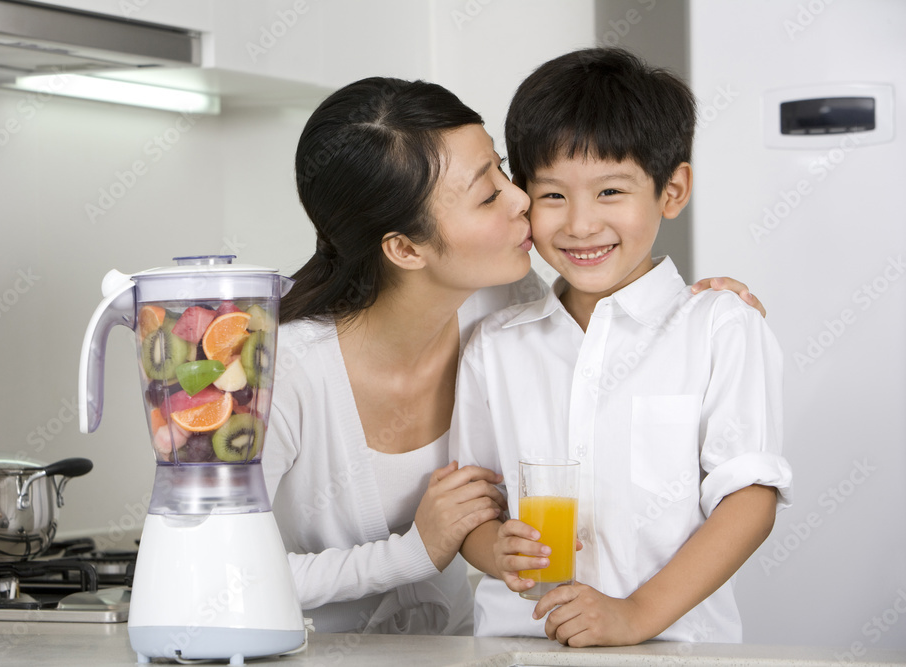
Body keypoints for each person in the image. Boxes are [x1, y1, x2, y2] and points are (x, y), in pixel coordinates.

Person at [261, 76, 767, 636]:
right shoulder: (279, 371)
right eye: (488, 192)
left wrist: (707, 307)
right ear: (405, 248)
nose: (523, 198)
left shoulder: (504, 302)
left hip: (465, 646)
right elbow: (217, 582)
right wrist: (422, 550)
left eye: (502, 169)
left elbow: (619, 297)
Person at [451, 47, 793, 646]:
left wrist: (635, 614)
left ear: (673, 190)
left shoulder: (719, 327)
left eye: (611, 192)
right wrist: (494, 551)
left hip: (676, 649)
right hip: (517, 647)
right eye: (553, 195)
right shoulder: (494, 346)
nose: (580, 225)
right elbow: (475, 509)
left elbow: (750, 498)